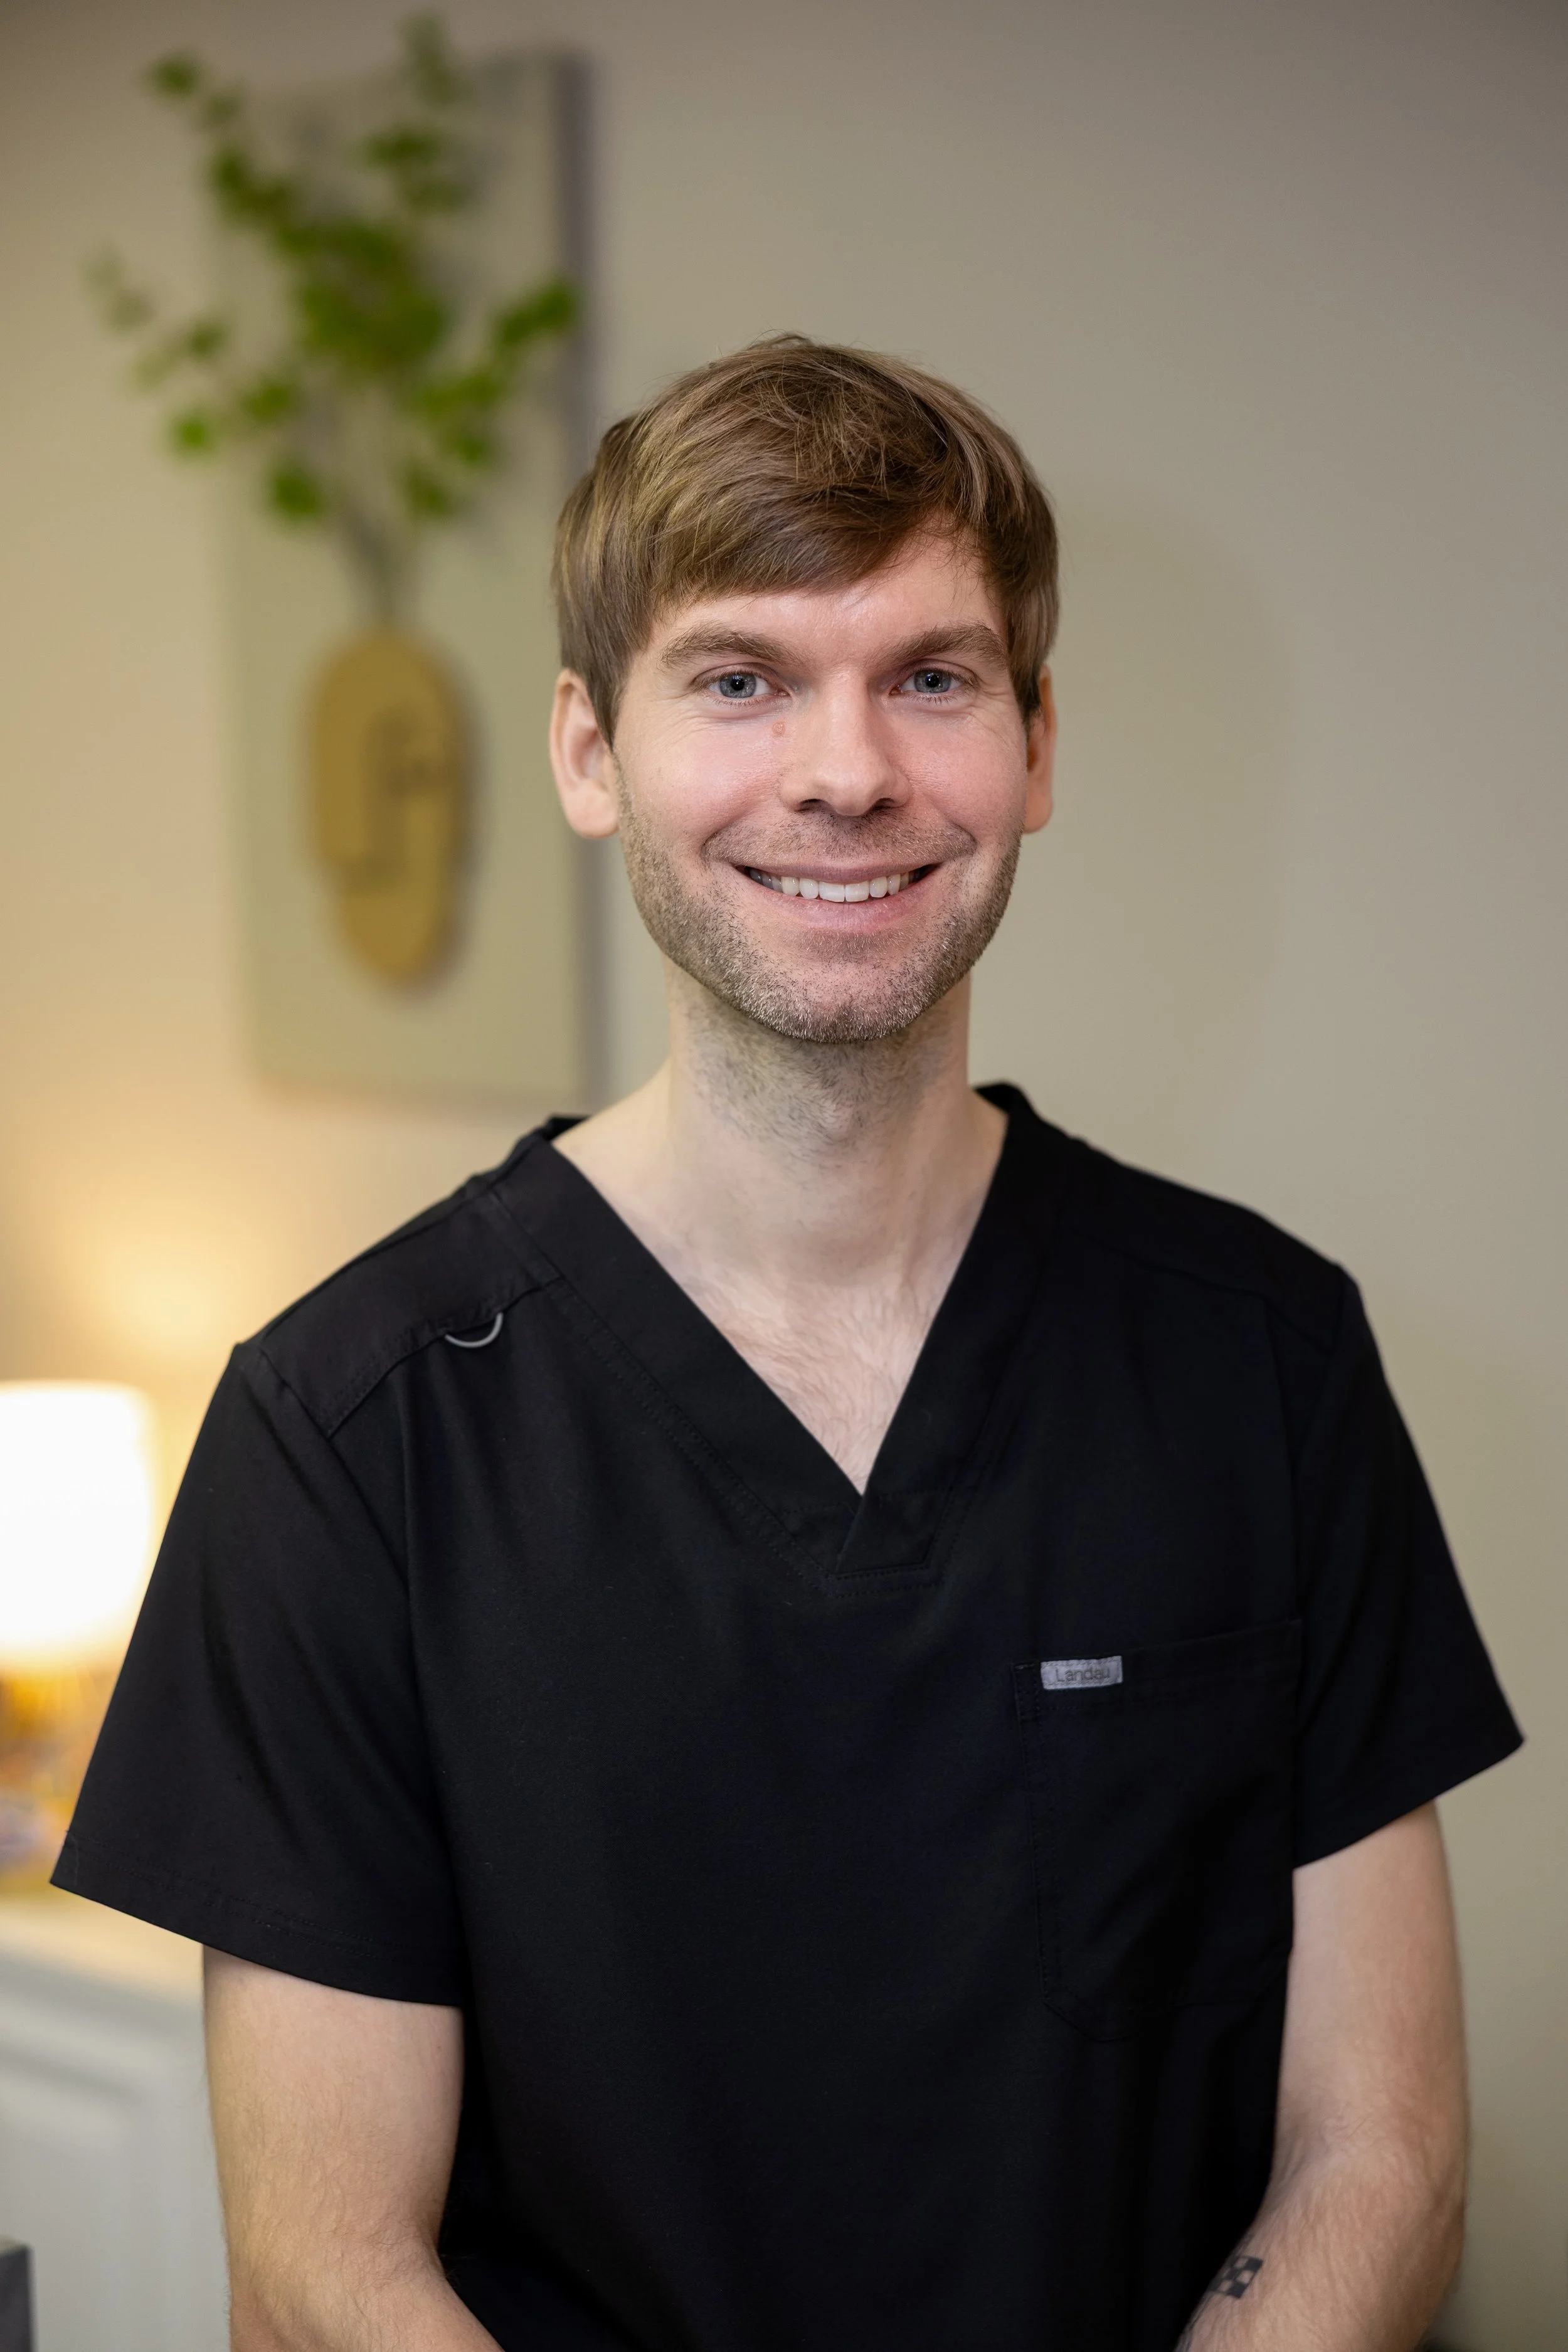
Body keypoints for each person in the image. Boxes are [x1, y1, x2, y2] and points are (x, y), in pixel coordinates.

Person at [56, 336, 1521, 2352]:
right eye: (740, 680)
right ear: (588, 751)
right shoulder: (349, 1431)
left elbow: (1381, 2148)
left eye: (931, 677)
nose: (847, 771)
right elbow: (326, 2275)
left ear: (1035, 743)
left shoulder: (1261, 1360)